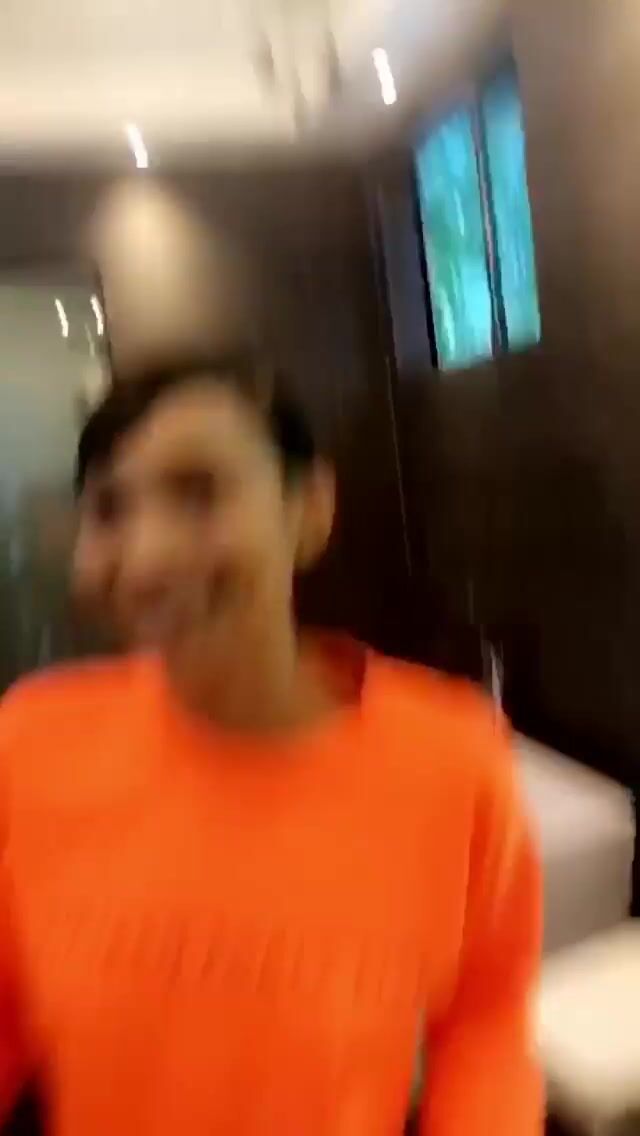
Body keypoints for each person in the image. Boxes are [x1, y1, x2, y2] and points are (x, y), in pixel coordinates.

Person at [0, 355, 542, 1136]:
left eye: (200, 493)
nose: (148, 558)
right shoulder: (32, 743)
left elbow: (485, 1023)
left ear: (309, 509)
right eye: (110, 510)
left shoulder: (452, 758)